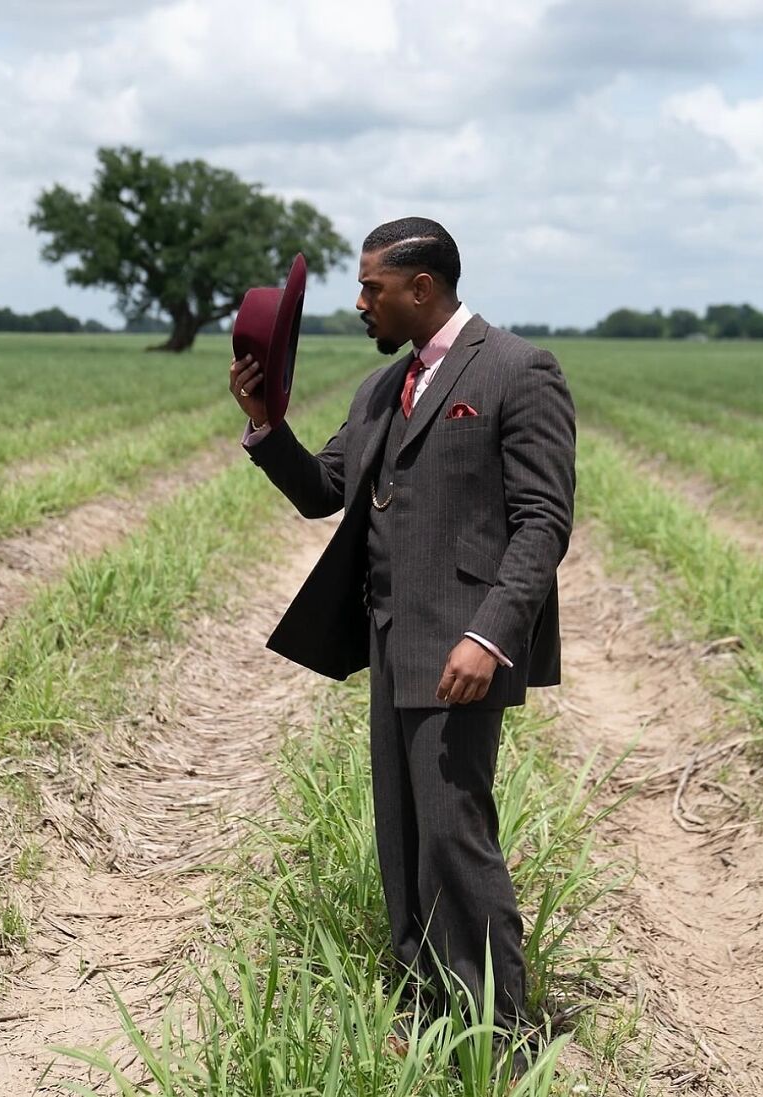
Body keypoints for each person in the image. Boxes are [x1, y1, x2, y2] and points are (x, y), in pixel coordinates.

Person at [229, 217, 576, 1051]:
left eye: (371, 287)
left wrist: (490, 635)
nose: (360, 302)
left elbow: (543, 521)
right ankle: (428, 1010)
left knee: (456, 836)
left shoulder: (517, 369)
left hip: (464, 650)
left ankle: (500, 1038)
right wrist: (265, 425)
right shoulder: (383, 388)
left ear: (421, 288)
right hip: (392, 642)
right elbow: (325, 489)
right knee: (405, 835)